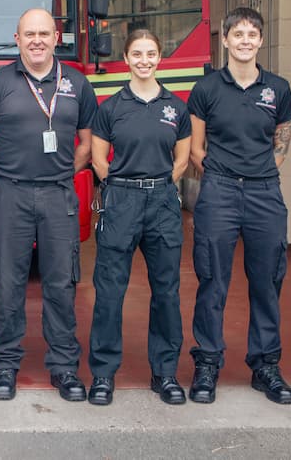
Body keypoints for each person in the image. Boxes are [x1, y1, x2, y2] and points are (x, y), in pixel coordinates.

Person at [0, 8, 97, 402]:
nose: (37, 41)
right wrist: (2, 173)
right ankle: (5, 366)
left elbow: (87, 143)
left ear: (56, 37)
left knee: (61, 284)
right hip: (9, 194)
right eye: (29, 34)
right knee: (7, 282)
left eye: (44, 33)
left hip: (58, 193)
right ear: (17, 38)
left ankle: (64, 368)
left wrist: (63, 171)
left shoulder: (77, 83)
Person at [187, 6, 291, 405]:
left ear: (261, 41)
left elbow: (281, 143)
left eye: (253, 34)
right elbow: (197, 148)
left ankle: (265, 365)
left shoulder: (278, 89)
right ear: (226, 39)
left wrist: (260, 173)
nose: (245, 41)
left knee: (267, 281)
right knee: (213, 279)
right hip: (219, 192)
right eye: (238, 34)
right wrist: (223, 175)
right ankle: (208, 363)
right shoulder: (207, 89)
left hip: (265, 192)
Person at [86, 30, 192, 407]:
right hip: (121, 202)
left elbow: (182, 160)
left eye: (150, 53)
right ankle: (102, 374)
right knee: (110, 293)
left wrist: (158, 186)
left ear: (159, 57)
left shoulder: (175, 108)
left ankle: (165, 374)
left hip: (162, 202)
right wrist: (121, 189)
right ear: (126, 59)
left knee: (166, 292)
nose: (144, 60)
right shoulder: (111, 107)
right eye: (136, 54)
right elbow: (99, 159)